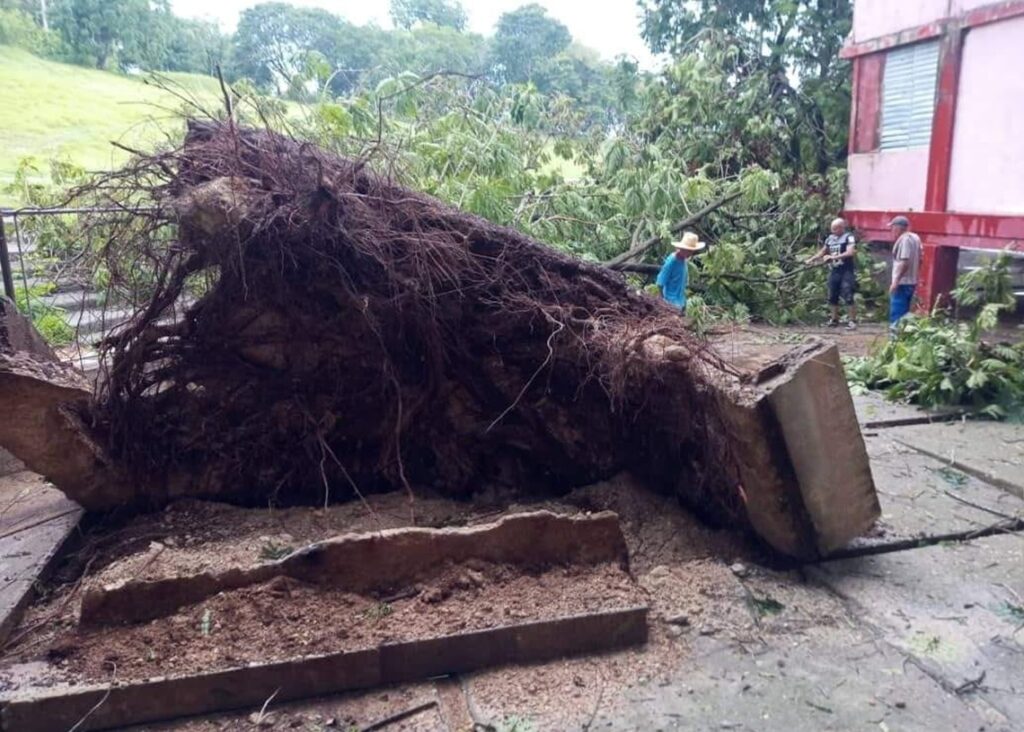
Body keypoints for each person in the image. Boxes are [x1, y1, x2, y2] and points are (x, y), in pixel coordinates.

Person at [808, 217, 858, 329]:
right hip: (834, 270)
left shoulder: (848, 237)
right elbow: (823, 251)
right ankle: (834, 319)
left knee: (848, 294)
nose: (833, 231)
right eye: (832, 229)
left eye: (835, 229)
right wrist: (812, 259)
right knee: (832, 295)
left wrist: (833, 257)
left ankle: (852, 320)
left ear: (841, 228)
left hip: (846, 270)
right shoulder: (830, 238)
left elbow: (850, 252)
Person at [656, 231, 706, 312]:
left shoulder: (684, 260)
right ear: (682, 248)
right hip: (670, 302)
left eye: (692, 251)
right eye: (688, 250)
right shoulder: (672, 262)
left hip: (680, 301)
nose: (690, 253)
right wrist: (663, 302)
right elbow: (660, 282)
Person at [888, 215, 922, 332]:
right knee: (906, 313)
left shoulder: (904, 240)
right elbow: (920, 259)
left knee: (897, 313)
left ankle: (895, 339)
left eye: (892, 228)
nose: (892, 231)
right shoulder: (915, 238)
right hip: (911, 280)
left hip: (902, 282)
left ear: (898, 228)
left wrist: (896, 281)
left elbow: (905, 261)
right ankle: (902, 336)